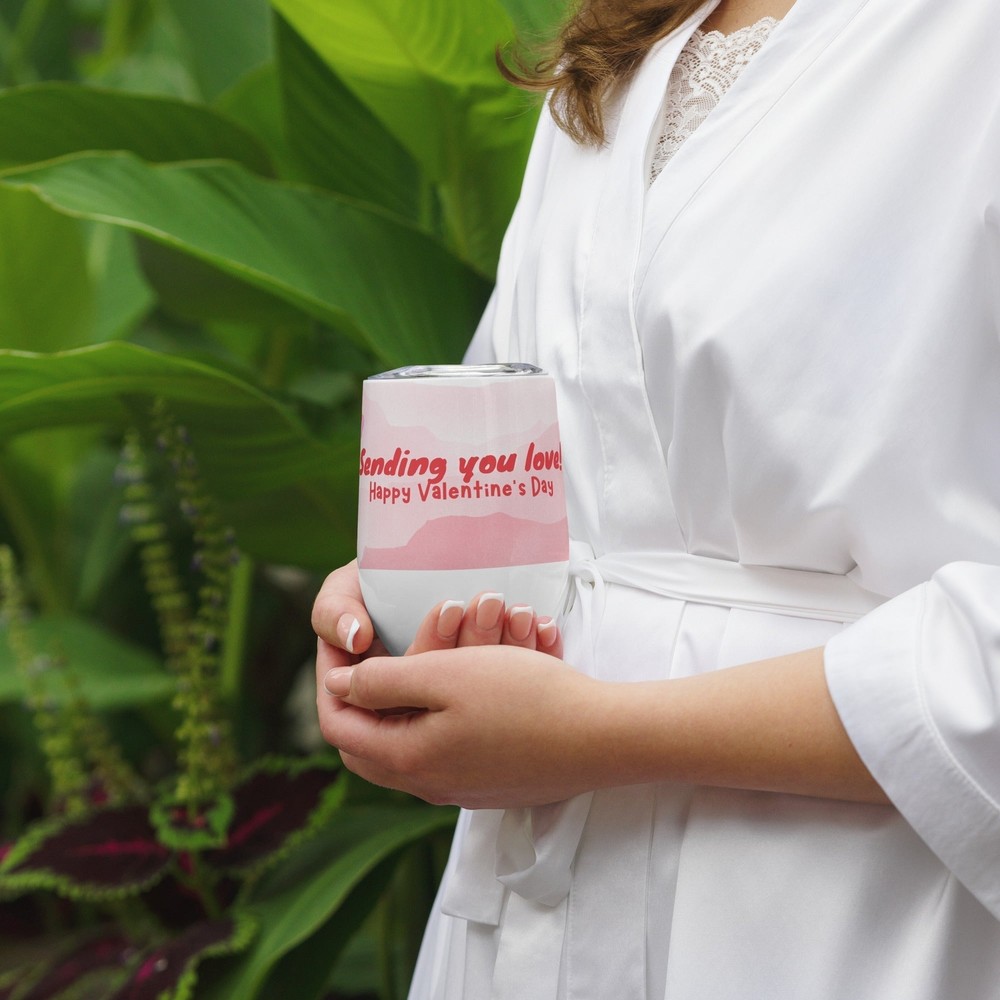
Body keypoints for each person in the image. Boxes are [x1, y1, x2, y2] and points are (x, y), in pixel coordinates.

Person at [312, 0, 1000, 996]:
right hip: (538, 904)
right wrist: (409, 594)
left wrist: (598, 732)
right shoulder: (626, 37)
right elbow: (560, 455)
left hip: (854, 910)